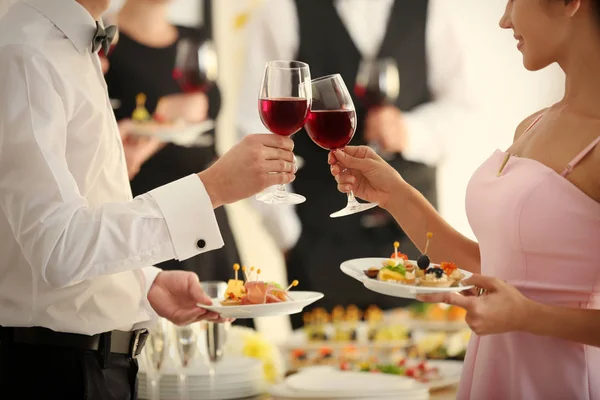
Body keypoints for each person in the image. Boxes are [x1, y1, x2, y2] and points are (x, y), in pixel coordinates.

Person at [0, 0, 296, 399]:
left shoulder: (66, 45)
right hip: (59, 373)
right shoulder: (25, 53)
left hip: (96, 365)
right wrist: (211, 188)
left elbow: (74, 223)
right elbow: (56, 248)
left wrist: (142, 283)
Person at [329, 0, 600, 396]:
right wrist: (395, 195)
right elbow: (495, 269)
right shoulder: (535, 124)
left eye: (513, 1)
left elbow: (520, 303)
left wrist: (528, 316)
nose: (504, 19)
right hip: (494, 372)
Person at [237, 0, 472, 327]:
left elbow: (463, 112)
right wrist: (288, 237)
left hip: (417, 247)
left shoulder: (433, 10)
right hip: (320, 249)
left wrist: (409, 131)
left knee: (423, 365)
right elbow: (254, 126)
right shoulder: (280, 12)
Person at [102, 0, 251, 328]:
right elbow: (103, 148)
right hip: (149, 218)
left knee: (227, 340)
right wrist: (164, 120)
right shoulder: (105, 44)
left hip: (207, 216)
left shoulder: (193, 37)